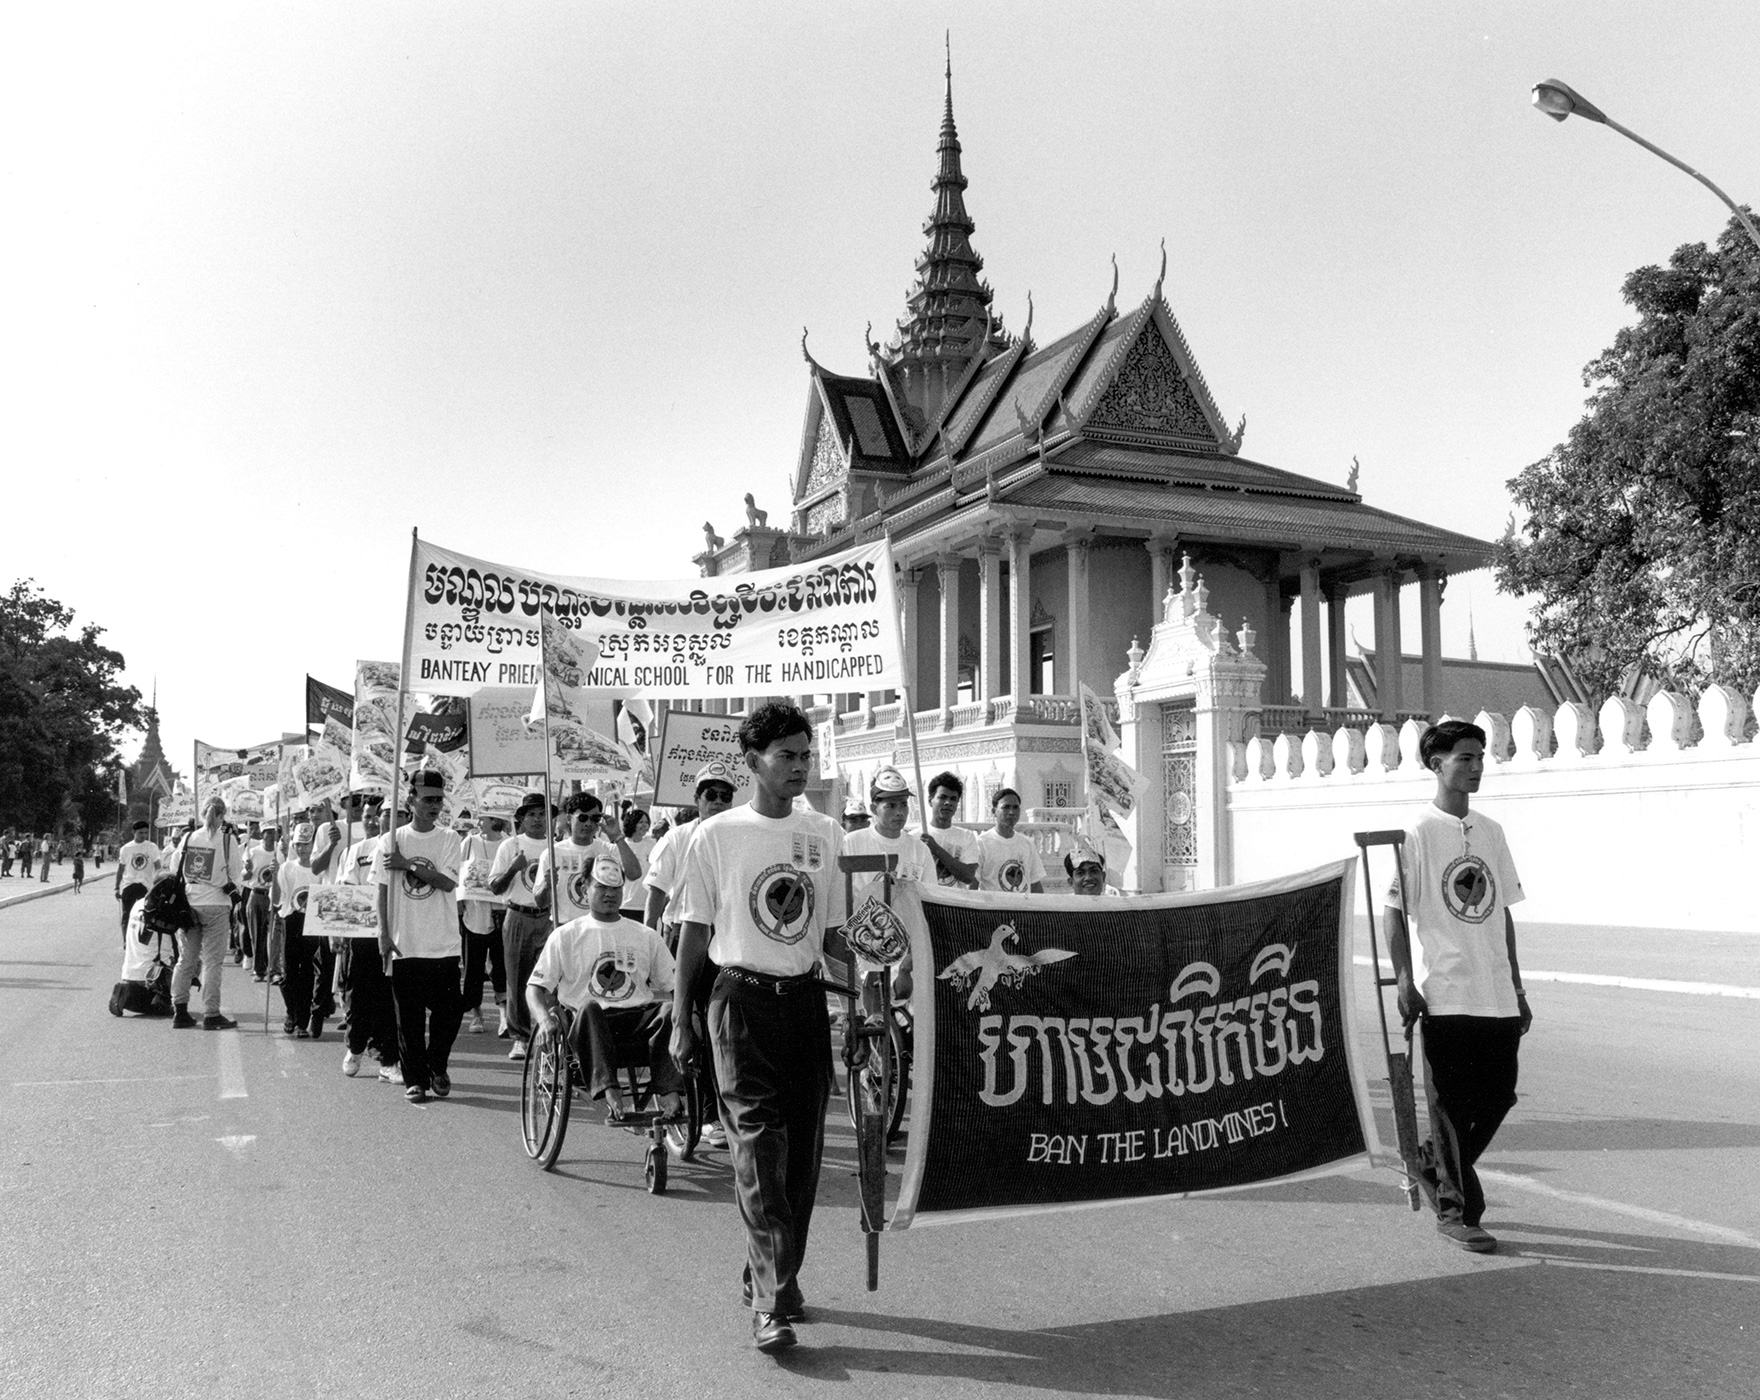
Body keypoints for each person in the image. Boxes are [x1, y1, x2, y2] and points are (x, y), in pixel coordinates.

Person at [671, 702, 850, 1355]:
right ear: (753, 762)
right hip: (737, 1003)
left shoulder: (826, 834)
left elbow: (834, 936)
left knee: (800, 1158)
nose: (800, 766)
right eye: (787, 756)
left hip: (803, 1005)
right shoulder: (714, 835)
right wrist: (679, 1020)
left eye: (806, 755)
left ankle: (771, 1272)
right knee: (757, 1147)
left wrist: (873, 997)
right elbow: (693, 931)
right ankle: (772, 1303)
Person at [1385, 719, 1532, 1256]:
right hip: (1446, 992)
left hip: (1495, 993)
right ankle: (1456, 1210)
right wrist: (1405, 980)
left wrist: (1517, 987)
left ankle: (1430, 1163)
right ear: (1436, 764)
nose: (1476, 766)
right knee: (1450, 1104)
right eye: (1464, 758)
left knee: (1498, 1097)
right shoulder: (1418, 833)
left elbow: (1504, 913)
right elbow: (1395, 912)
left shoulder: (1490, 831)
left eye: (1480, 757)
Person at [528, 855, 683, 1118]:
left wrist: (686, 1017)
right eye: (601, 887)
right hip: (587, 1023)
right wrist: (543, 1020)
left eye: (615, 888)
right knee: (590, 1007)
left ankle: (669, 1091)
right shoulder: (566, 935)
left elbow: (673, 985)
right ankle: (610, 1089)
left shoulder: (645, 935)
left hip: (635, 1020)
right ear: (585, 888)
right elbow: (535, 987)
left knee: (670, 1009)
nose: (609, 894)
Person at [644, 763, 740, 1152]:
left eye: (725, 795)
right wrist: (651, 947)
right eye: (710, 795)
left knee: (724, 1027)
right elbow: (654, 896)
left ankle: (725, 1110)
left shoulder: (738, 837)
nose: (717, 802)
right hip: (682, 936)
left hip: (727, 940)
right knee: (689, 1024)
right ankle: (695, 1105)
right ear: (696, 800)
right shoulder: (677, 839)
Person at [374, 769, 464, 1104]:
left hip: (442, 943)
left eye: (439, 800)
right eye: (427, 799)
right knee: (408, 1019)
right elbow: (381, 891)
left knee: (450, 1013)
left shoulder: (449, 839)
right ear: (411, 799)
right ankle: (416, 1080)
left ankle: (436, 1064)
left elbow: (447, 882)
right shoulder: (391, 840)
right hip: (404, 942)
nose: (434, 806)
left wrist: (407, 865)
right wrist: (383, 933)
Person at [166, 797, 243, 1030]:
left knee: (185, 959)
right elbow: (237, 872)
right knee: (212, 962)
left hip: (190, 904)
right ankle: (211, 1013)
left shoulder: (189, 837)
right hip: (217, 905)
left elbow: (174, 868)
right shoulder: (228, 841)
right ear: (221, 817)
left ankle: (179, 1010)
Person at [335, 806, 399, 1082]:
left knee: (390, 999)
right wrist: (339, 929)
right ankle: (356, 1047)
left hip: (398, 933)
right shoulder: (358, 849)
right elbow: (346, 887)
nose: (389, 818)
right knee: (359, 995)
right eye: (384, 813)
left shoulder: (405, 847)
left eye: (398, 813)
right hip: (363, 933)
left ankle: (389, 1060)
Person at [489, 794, 554, 1062]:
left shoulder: (556, 846)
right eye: (532, 815)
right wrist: (513, 869)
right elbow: (494, 887)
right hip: (518, 915)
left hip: (549, 917)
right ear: (521, 819)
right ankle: (519, 1036)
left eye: (542, 814)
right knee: (517, 977)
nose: (538, 819)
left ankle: (545, 1031)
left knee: (549, 979)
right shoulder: (510, 846)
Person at [533, 793, 642, 933]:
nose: (588, 824)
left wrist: (617, 836)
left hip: (601, 928)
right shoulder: (552, 853)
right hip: (565, 928)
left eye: (594, 818)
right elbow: (540, 902)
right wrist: (546, 886)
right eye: (582, 818)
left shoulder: (608, 849)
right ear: (568, 818)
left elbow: (634, 873)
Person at [458, 811, 508, 1036]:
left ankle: (504, 1013)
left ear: (495, 820)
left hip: (501, 910)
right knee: (473, 965)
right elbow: (459, 871)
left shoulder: (509, 843)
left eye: (483, 818)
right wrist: (459, 901)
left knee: (500, 964)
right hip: (475, 910)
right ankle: (475, 1012)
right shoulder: (469, 841)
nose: (478, 822)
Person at [272, 824, 321, 1038]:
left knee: (308, 972)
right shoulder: (287, 868)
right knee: (289, 973)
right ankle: (290, 1013)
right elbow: (276, 900)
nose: (303, 849)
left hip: (312, 923)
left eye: (307, 844)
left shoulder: (319, 870)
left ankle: (302, 1021)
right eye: (299, 844)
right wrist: (274, 876)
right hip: (290, 920)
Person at [109, 886, 176, 1018]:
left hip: (129, 973)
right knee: (194, 961)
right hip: (154, 977)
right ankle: (162, 999)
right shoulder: (167, 909)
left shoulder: (138, 903)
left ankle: (127, 992)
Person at [976, 788, 1045, 894]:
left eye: (1015, 807)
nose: (1012, 812)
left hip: (1022, 908)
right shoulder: (981, 843)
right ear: (994, 811)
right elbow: (973, 884)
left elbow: (1035, 884)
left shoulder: (1027, 844)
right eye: (1006, 807)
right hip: (993, 909)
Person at [920, 771, 980, 888]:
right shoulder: (917, 837)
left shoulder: (966, 836)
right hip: (926, 902)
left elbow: (968, 876)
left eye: (953, 799)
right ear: (930, 801)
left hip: (954, 903)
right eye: (942, 797)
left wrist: (936, 849)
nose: (948, 803)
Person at [242, 824, 279, 982]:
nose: (272, 835)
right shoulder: (253, 851)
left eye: (274, 832)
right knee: (258, 935)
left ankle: (275, 970)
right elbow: (243, 877)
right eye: (268, 832)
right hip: (257, 895)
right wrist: (248, 870)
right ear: (262, 834)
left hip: (275, 896)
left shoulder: (281, 851)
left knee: (275, 935)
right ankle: (259, 970)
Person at [114, 820, 162, 938]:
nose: (143, 835)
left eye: (146, 833)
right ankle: (126, 941)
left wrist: (158, 883)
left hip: (146, 886)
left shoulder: (152, 847)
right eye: (140, 833)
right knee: (127, 915)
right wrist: (116, 887)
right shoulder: (126, 848)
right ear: (133, 832)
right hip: (129, 885)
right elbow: (120, 869)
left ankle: (143, 941)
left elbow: (158, 867)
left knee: (147, 915)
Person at [619, 807, 655, 919]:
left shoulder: (652, 844)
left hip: (646, 903)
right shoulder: (621, 846)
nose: (644, 825)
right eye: (641, 822)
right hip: (624, 903)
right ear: (632, 824)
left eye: (646, 822)